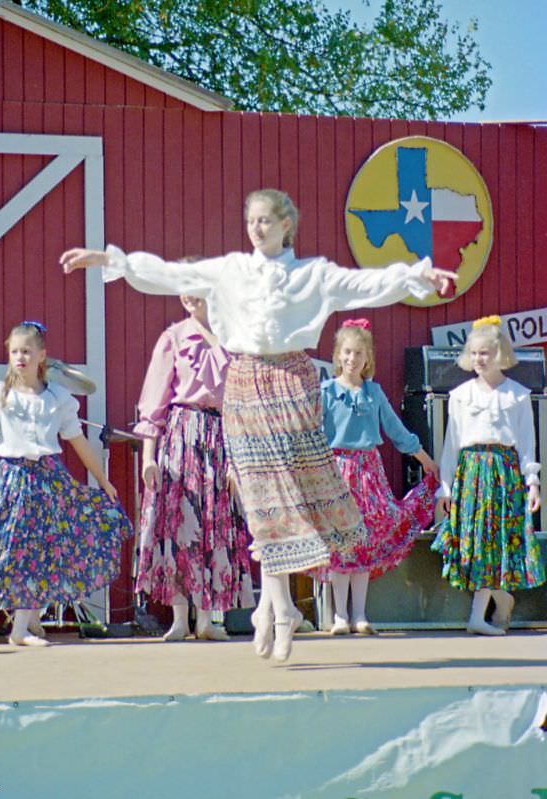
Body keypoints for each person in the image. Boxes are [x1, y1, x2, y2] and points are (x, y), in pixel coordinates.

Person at [60, 188, 455, 661]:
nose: (257, 227)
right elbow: (172, 273)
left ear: (287, 224)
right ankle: (277, 604)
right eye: (251, 220)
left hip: (291, 381)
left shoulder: (312, 275)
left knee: (286, 497)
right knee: (259, 499)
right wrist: (111, 258)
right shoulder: (230, 270)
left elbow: (365, 284)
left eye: (266, 220)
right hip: (243, 382)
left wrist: (419, 275)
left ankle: (276, 604)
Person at [0, 321, 132, 646]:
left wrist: (104, 482)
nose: (20, 357)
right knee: (21, 548)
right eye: (14, 351)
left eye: (26, 351)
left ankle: (30, 621)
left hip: (49, 479)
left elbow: (77, 441)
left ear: (42, 356)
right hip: (14, 479)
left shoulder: (56, 398)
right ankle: (20, 629)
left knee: (46, 548)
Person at [135, 292, 254, 642]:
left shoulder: (233, 339)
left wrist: (238, 459)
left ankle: (206, 620)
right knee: (179, 525)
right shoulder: (172, 338)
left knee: (214, 526)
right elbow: (153, 405)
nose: (189, 295)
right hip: (181, 435)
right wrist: (148, 457)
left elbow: (240, 404)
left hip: (220, 437)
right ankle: (179, 619)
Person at [313, 318, 438, 635]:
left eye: (359, 353)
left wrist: (424, 459)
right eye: (347, 352)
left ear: (368, 358)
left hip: (367, 472)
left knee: (365, 540)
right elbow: (312, 433)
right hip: (337, 471)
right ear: (338, 355)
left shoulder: (374, 393)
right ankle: (339, 614)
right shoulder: (326, 392)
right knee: (342, 543)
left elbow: (396, 430)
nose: (352, 359)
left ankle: (360, 614)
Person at [432, 316, 545, 635]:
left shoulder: (517, 395)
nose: (480, 359)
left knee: (495, 541)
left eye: (486, 353)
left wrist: (532, 481)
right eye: (475, 353)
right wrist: (445, 488)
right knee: (473, 541)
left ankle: (478, 616)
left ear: (499, 354)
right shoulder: (460, 395)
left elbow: (526, 442)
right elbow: (451, 445)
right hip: (470, 472)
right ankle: (499, 601)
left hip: (503, 472)